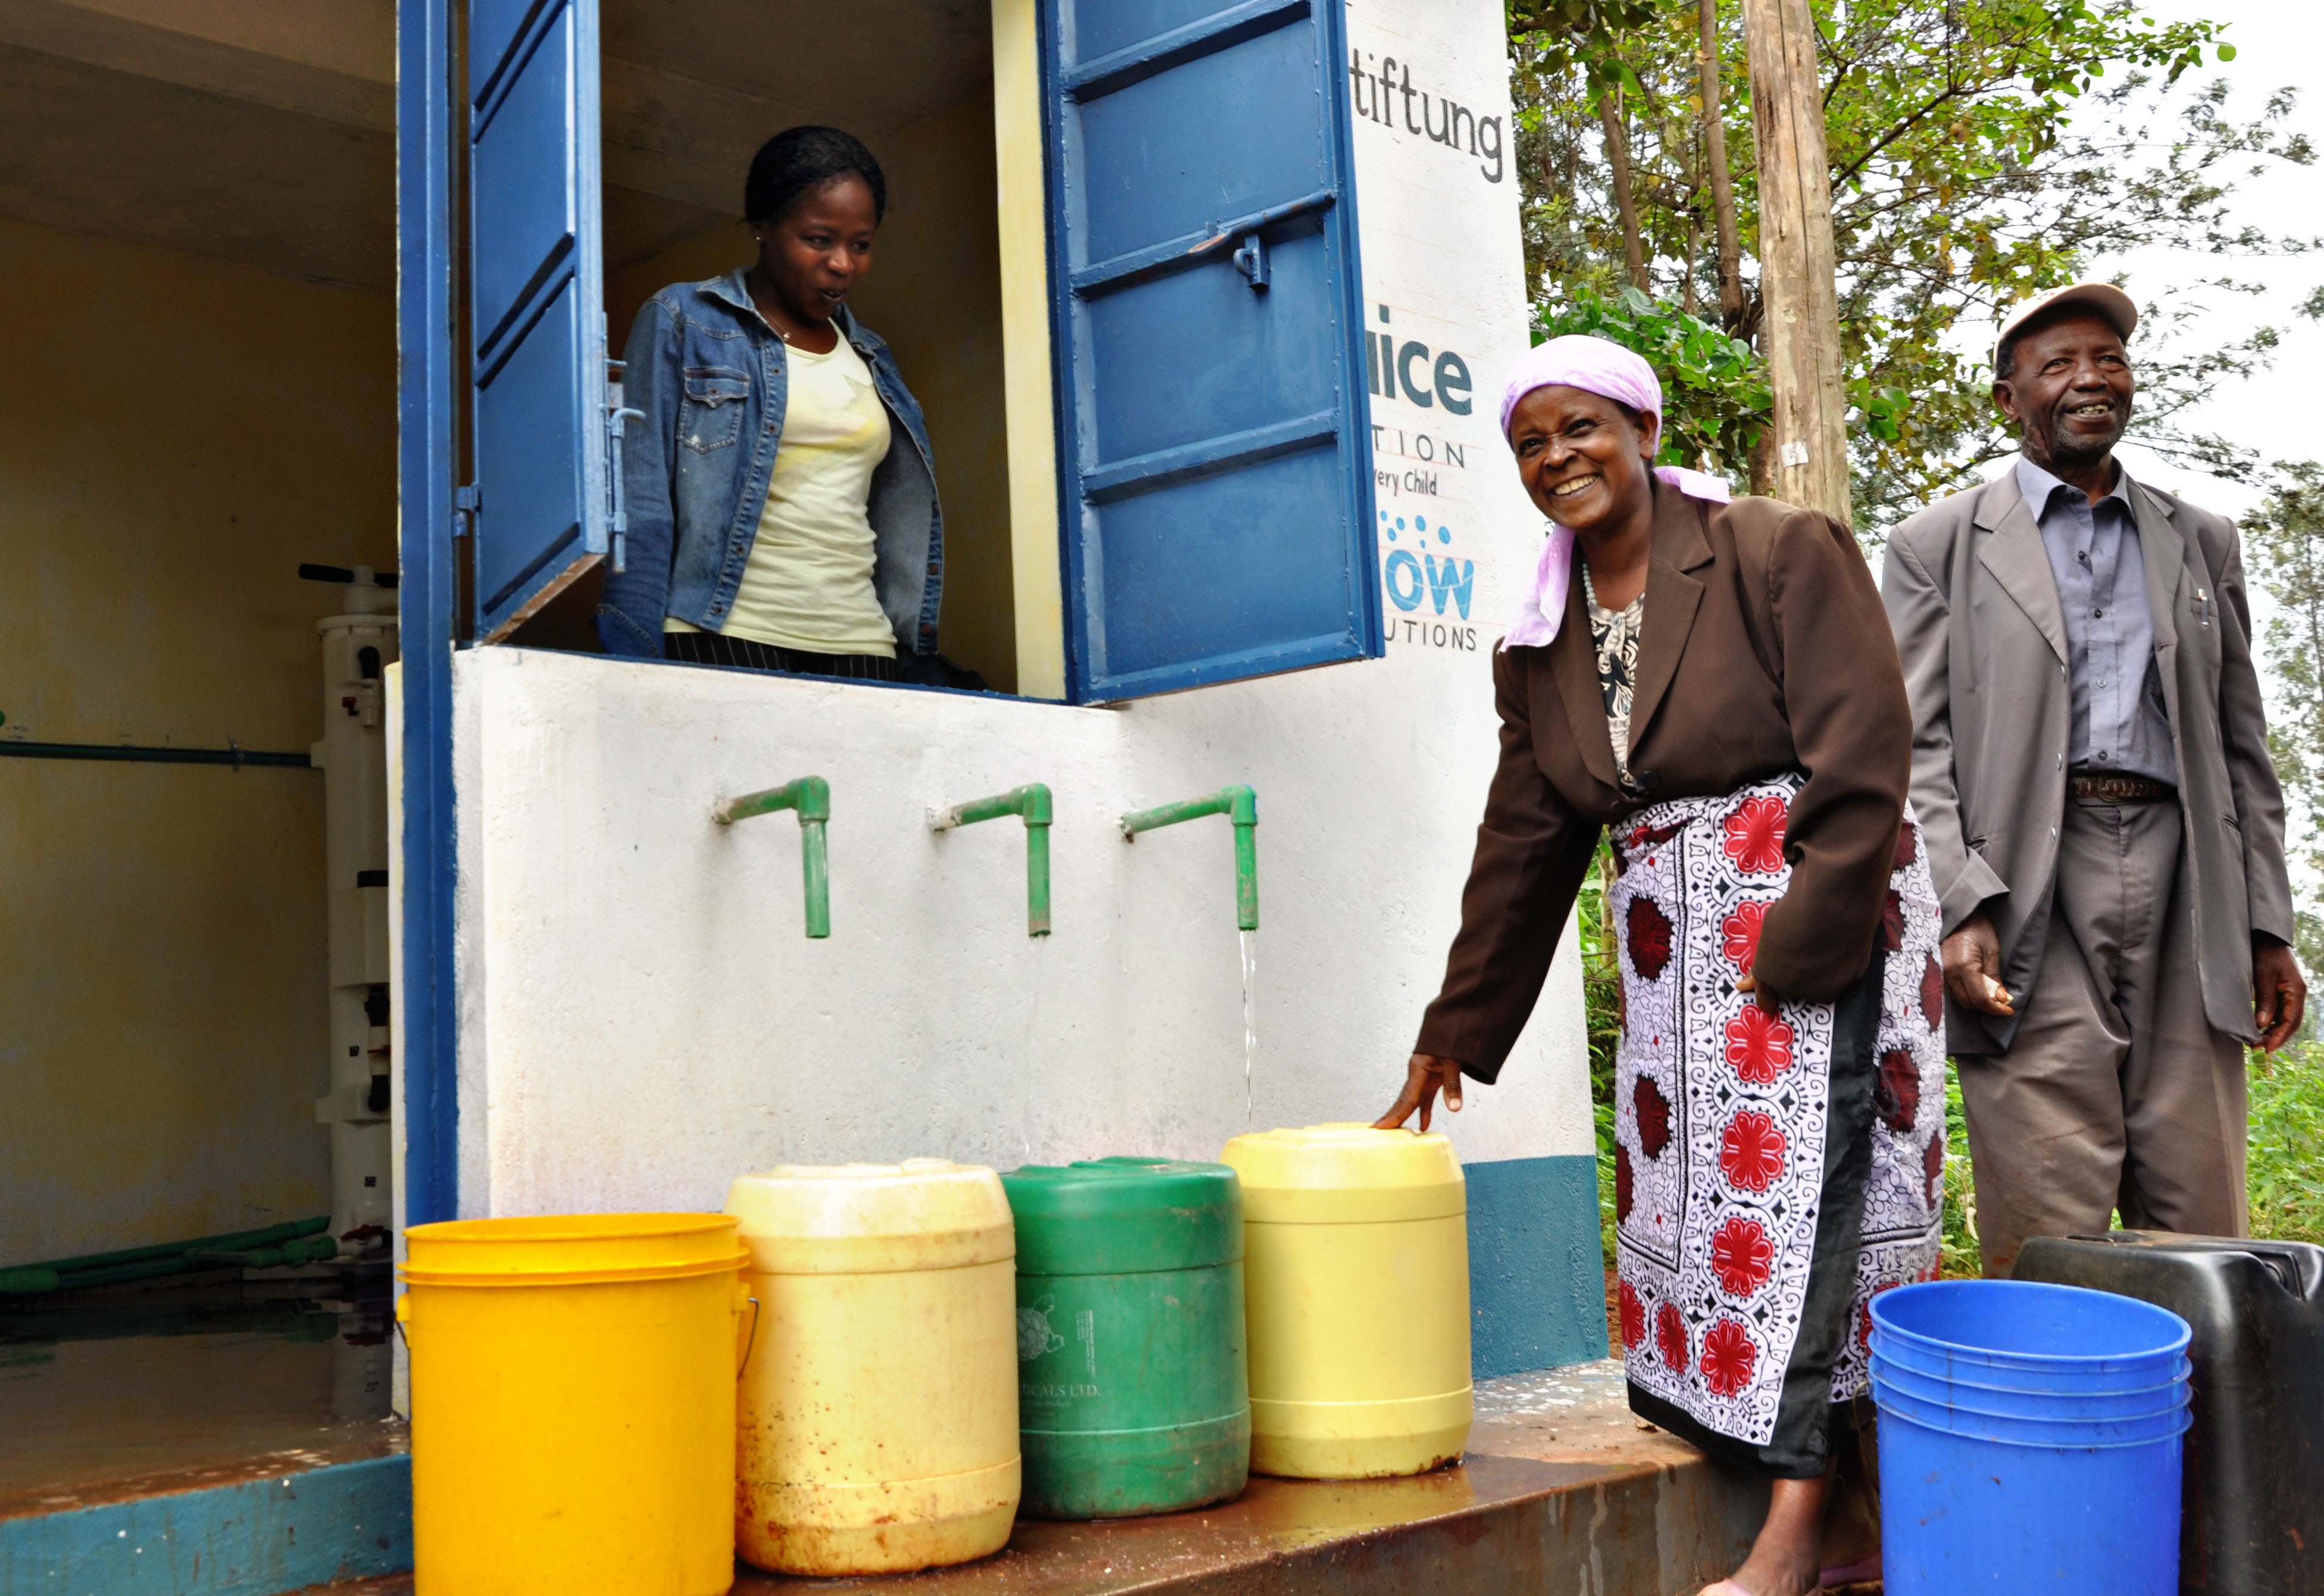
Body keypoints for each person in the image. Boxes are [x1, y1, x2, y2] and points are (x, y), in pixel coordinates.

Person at [1377, 336, 1939, 1596]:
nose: (1554, 457)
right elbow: (1525, 837)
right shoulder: (1536, 639)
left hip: (1812, 916)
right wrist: (1453, 1024)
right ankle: (1853, 1516)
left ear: (1639, 425)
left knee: (1808, 1202)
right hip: (1670, 958)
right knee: (1711, 1222)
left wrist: (1805, 944)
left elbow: (1862, 751)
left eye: (1576, 427)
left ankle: (1791, 1542)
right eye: (1528, 442)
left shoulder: (1769, 550)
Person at [1882, 282, 2305, 1279]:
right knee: (2050, 1199)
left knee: (2203, 1210)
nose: (2089, 381)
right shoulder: (1937, 543)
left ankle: (2205, 1434)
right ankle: (2058, 1425)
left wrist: (2268, 922)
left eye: (2108, 360)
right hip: (2030, 881)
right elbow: (1915, 743)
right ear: (2007, 396)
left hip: (2188, 877)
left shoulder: (2200, 538)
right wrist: (1959, 903)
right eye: (2059, 364)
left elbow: (2242, 743)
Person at [597, 125, 953, 685]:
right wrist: (634, 657)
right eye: (819, 239)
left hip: (862, 643)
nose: (843, 264)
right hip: (723, 634)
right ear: (762, 227)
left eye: (860, 245)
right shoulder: (683, 319)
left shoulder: (873, 357)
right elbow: (641, 500)